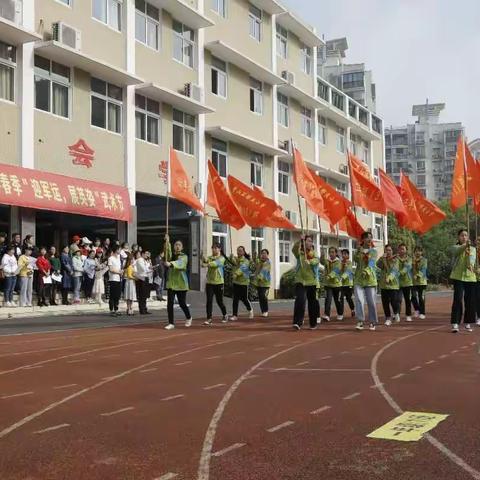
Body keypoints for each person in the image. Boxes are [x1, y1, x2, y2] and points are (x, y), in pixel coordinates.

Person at [450, 229, 476, 333]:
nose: (464, 237)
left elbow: (472, 261)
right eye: (462, 235)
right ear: (458, 237)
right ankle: (455, 323)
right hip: (458, 277)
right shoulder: (455, 247)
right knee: (457, 299)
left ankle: (468, 322)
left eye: (466, 235)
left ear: (468, 237)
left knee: (470, 301)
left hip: (470, 278)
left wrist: (471, 263)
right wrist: (465, 246)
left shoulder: (473, 249)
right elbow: (457, 251)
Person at [292, 235, 320, 330]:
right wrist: (300, 241)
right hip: (300, 280)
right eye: (308, 241)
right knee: (300, 300)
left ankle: (313, 323)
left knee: (312, 303)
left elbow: (317, 260)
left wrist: (311, 261)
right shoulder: (299, 253)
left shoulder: (313, 253)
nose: (310, 242)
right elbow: (294, 249)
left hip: (311, 281)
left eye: (311, 241)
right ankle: (297, 322)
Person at [164, 235, 192, 330]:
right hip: (171, 283)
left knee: (182, 303)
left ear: (182, 247)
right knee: (170, 303)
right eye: (176, 244)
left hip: (181, 283)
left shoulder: (184, 256)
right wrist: (167, 242)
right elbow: (167, 253)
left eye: (179, 245)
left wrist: (171, 264)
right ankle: (171, 323)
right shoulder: (171, 255)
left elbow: (180, 264)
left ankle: (189, 317)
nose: (177, 246)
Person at [353, 231, 378, 331]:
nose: (369, 240)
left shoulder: (373, 252)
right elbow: (356, 260)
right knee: (359, 300)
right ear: (362, 240)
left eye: (370, 238)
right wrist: (359, 250)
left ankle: (372, 321)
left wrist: (366, 271)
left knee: (371, 302)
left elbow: (372, 263)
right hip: (359, 279)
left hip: (370, 279)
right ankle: (360, 321)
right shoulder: (359, 251)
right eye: (367, 238)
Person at [202, 243, 228, 325]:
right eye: (213, 248)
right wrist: (202, 258)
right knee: (209, 301)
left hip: (219, 283)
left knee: (219, 301)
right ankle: (209, 318)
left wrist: (206, 264)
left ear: (219, 249)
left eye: (216, 248)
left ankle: (225, 314)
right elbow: (206, 260)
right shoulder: (210, 258)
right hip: (210, 282)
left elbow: (215, 264)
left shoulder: (222, 258)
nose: (214, 249)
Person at [377, 244, 400, 326]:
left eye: (390, 250)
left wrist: (389, 278)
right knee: (385, 302)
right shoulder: (383, 259)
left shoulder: (395, 259)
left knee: (394, 302)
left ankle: (396, 312)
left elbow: (395, 270)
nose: (388, 252)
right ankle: (388, 318)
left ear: (392, 251)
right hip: (384, 285)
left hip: (393, 284)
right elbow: (378, 265)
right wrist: (381, 258)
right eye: (386, 250)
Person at [230, 246, 254, 321]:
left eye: (240, 251)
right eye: (238, 251)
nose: (238, 252)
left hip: (244, 282)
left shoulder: (246, 260)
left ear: (243, 252)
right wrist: (231, 258)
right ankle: (234, 315)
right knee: (235, 299)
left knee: (244, 298)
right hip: (236, 282)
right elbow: (234, 263)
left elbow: (242, 268)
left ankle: (250, 310)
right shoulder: (237, 259)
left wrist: (236, 274)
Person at [321, 247, 343, 322]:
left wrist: (330, 276)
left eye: (333, 252)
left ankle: (340, 313)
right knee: (328, 300)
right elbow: (322, 262)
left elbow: (336, 270)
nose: (331, 254)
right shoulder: (327, 261)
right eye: (330, 252)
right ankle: (327, 315)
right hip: (328, 284)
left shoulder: (338, 262)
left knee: (337, 300)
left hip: (337, 284)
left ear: (336, 253)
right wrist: (322, 255)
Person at [252, 249, 271, 317]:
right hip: (259, 283)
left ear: (267, 255)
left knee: (263, 296)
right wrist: (254, 256)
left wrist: (256, 277)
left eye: (265, 253)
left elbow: (263, 271)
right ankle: (263, 311)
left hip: (266, 283)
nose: (263, 255)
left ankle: (266, 310)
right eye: (262, 253)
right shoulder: (259, 261)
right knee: (260, 297)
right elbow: (255, 261)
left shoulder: (268, 262)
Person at [397, 243, 413, 322]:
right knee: (398, 299)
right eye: (400, 249)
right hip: (398, 283)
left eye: (403, 249)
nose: (401, 250)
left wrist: (399, 273)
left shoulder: (409, 259)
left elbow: (407, 268)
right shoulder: (395, 258)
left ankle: (408, 315)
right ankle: (397, 314)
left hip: (407, 282)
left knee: (407, 300)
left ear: (406, 250)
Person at [411, 246, 428, 320]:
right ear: (414, 252)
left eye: (419, 251)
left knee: (421, 297)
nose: (417, 252)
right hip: (413, 282)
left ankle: (422, 313)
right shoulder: (412, 260)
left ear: (421, 252)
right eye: (416, 251)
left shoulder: (424, 260)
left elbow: (423, 270)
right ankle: (417, 309)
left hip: (422, 282)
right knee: (413, 296)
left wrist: (418, 276)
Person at [135, 250, 152, 315]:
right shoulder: (139, 260)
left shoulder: (145, 261)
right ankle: (142, 309)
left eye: (148, 254)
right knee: (142, 295)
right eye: (146, 253)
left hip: (146, 278)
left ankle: (145, 309)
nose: (147, 255)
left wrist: (150, 267)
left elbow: (148, 269)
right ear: (142, 254)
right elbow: (143, 269)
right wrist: (149, 269)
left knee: (145, 295)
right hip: (141, 278)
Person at [108, 245, 123, 316]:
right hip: (113, 279)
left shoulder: (119, 258)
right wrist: (118, 272)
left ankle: (116, 309)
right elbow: (111, 269)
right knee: (112, 295)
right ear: (116, 250)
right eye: (119, 249)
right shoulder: (110, 258)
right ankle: (112, 310)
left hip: (118, 279)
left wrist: (121, 272)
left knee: (117, 295)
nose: (120, 251)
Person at [340, 249, 355, 318]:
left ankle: (352, 309)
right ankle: (341, 313)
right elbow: (338, 271)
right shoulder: (340, 262)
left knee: (349, 298)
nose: (344, 255)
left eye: (345, 254)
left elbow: (348, 271)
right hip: (341, 284)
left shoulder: (349, 262)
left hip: (349, 284)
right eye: (342, 254)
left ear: (348, 255)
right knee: (341, 298)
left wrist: (342, 277)